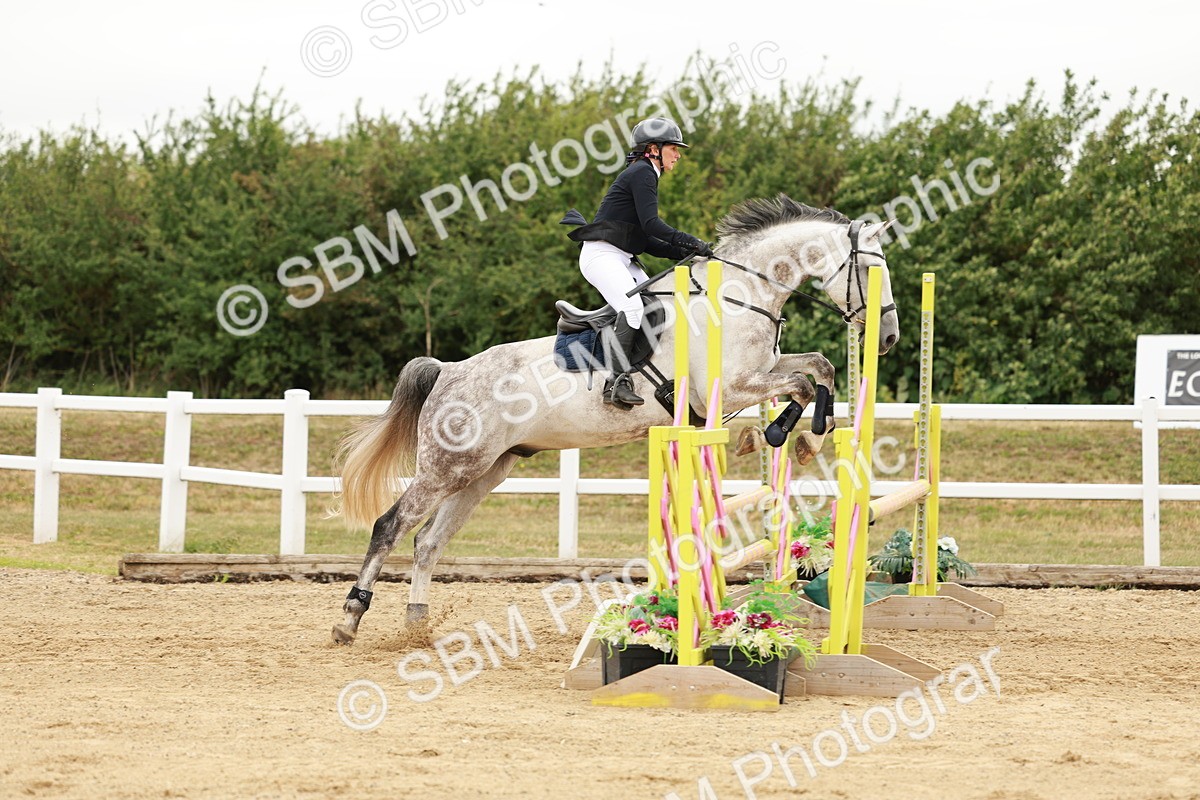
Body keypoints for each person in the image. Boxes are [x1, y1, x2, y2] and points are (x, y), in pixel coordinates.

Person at [566, 117, 713, 409]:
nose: (678, 155)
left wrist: (689, 254)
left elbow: (647, 241)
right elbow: (653, 224)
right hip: (601, 256)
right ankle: (615, 383)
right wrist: (691, 240)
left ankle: (645, 371)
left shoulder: (644, 173)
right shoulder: (643, 173)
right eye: (673, 148)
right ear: (653, 149)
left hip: (622, 256)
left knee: (656, 306)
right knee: (632, 307)